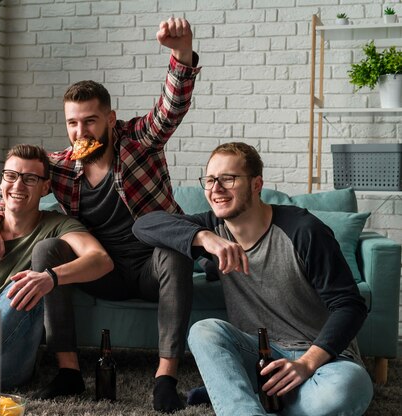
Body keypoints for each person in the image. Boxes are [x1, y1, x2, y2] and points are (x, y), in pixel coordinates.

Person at [0, 17, 201, 413]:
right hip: (104, 273)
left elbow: (170, 109)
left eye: (91, 121)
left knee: (173, 250)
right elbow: (15, 180)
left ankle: (165, 377)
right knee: (48, 250)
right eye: (73, 123)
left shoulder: (139, 143)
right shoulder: (60, 166)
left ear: (111, 120)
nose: (81, 132)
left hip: (152, 267)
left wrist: (181, 54)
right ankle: (68, 371)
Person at [132, 142, 373, 415]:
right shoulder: (212, 229)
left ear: (257, 184)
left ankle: (243, 395)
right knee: (204, 331)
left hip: (322, 361)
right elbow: (143, 226)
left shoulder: (304, 230)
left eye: (228, 179)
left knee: (348, 389)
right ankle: (254, 402)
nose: (215, 189)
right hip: (259, 356)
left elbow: (350, 306)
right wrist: (205, 238)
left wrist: (306, 364)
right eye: (210, 180)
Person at [0, 144, 113, 392]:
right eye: (11, 176)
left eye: (30, 178)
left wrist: (49, 277)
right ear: (2, 181)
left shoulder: (57, 227)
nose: (18, 186)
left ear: (45, 187)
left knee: (25, 284)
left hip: (10, 360)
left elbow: (101, 259)